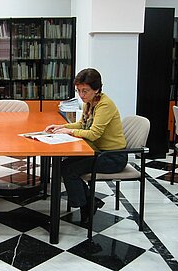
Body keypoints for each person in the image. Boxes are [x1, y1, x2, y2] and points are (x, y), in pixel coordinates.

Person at [45, 68, 127, 223]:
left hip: (112, 156)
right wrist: (61, 127)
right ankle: (90, 203)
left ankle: (85, 206)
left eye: (85, 91)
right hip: (97, 152)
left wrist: (70, 132)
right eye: (79, 91)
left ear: (97, 89)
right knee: (62, 167)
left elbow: (94, 133)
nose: (81, 95)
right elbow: (82, 124)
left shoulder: (105, 105)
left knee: (69, 171)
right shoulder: (89, 103)